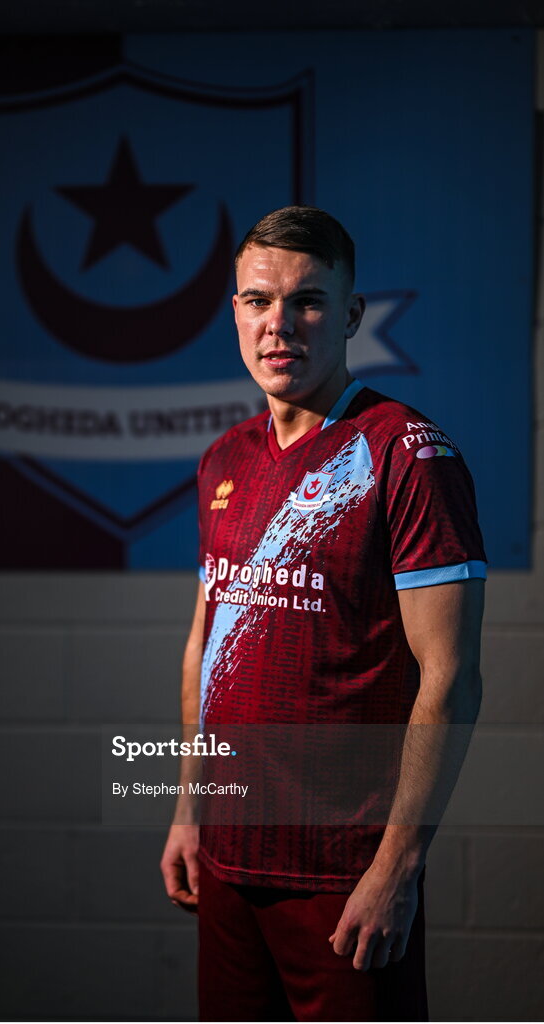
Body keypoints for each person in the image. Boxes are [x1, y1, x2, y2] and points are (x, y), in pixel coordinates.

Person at [160, 206, 486, 1022]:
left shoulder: (406, 453)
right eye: (257, 301)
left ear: (348, 315)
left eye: (307, 301)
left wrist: (394, 870)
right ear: (233, 311)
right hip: (229, 866)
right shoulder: (223, 459)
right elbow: (207, 644)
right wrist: (187, 811)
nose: (280, 325)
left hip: (343, 877)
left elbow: (449, 680)